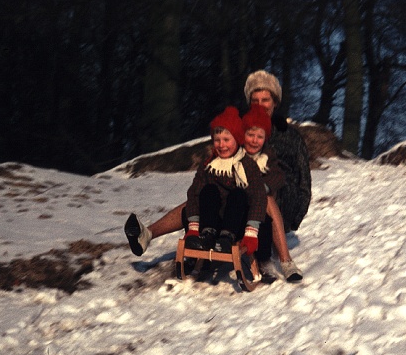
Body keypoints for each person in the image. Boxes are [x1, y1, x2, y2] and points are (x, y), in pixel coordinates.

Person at [125, 104, 304, 282]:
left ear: (265, 139)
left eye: (259, 136)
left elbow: (277, 177)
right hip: (227, 211)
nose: (253, 140)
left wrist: (260, 187)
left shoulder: (265, 158)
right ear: (242, 135)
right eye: (249, 134)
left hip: (257, 217)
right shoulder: (219, 159)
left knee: (263, 197)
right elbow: (199, 189)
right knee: (197, 200)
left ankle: (285, 260)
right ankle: (150, 235)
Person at [181, 106, 266, 255]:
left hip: (237, 223)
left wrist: (251, 232)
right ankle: (206, 236)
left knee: (238, 194)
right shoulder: (208, 165)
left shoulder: (247, 165)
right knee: (208, 190)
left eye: (226, 140)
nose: (221, 145)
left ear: (237, 139)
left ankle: (226, 238)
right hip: (211, 220)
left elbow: (258, 196)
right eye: (217, 140)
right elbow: (194, 193)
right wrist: (194, 228)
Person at [243, 70, 311, 234]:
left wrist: (296, 217)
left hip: (281, 201)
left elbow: (304, 179)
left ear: (275, 102)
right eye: (255, 101)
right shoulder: (241, 132)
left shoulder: (289, 135)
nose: (260, 105)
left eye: (265, 100)